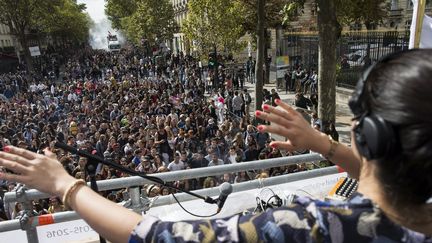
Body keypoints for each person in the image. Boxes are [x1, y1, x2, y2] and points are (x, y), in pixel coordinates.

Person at [0, 50, 430, 242]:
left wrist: (65, 184)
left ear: (371, 136)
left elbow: (152, 234)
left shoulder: (313, 226)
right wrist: (326, 146)